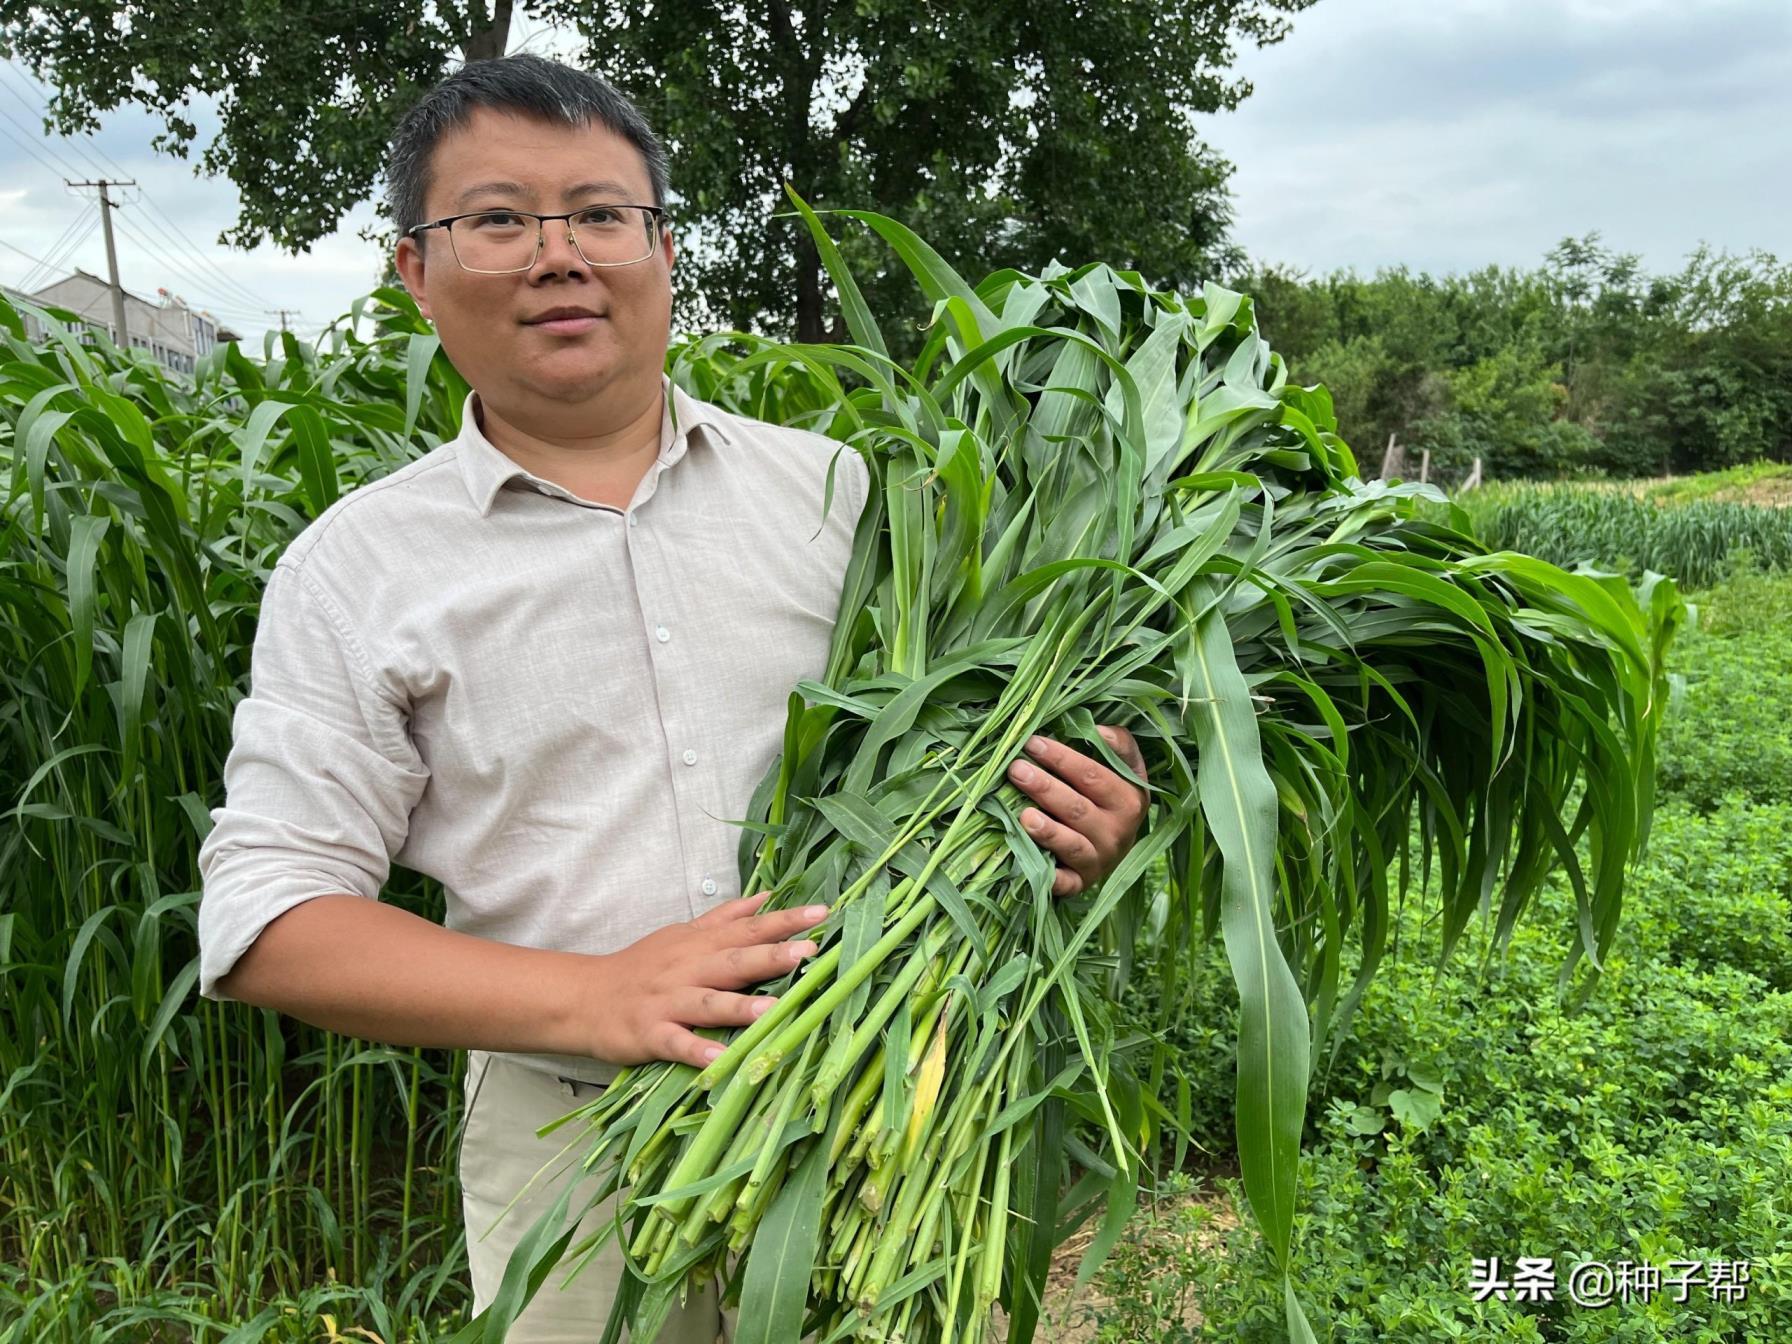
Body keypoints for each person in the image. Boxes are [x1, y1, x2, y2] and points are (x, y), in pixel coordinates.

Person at [195, 52, 1149, 1344]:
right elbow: (268, 919)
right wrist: (596, 998)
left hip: (891, 1111)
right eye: (497, 220)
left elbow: (974, 757)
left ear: (664, 249)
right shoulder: (357, 572)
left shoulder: (847, 502)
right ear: (416, 270)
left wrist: (1077, 817)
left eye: (600, 214)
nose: (558, 254)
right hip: (573, 1142)